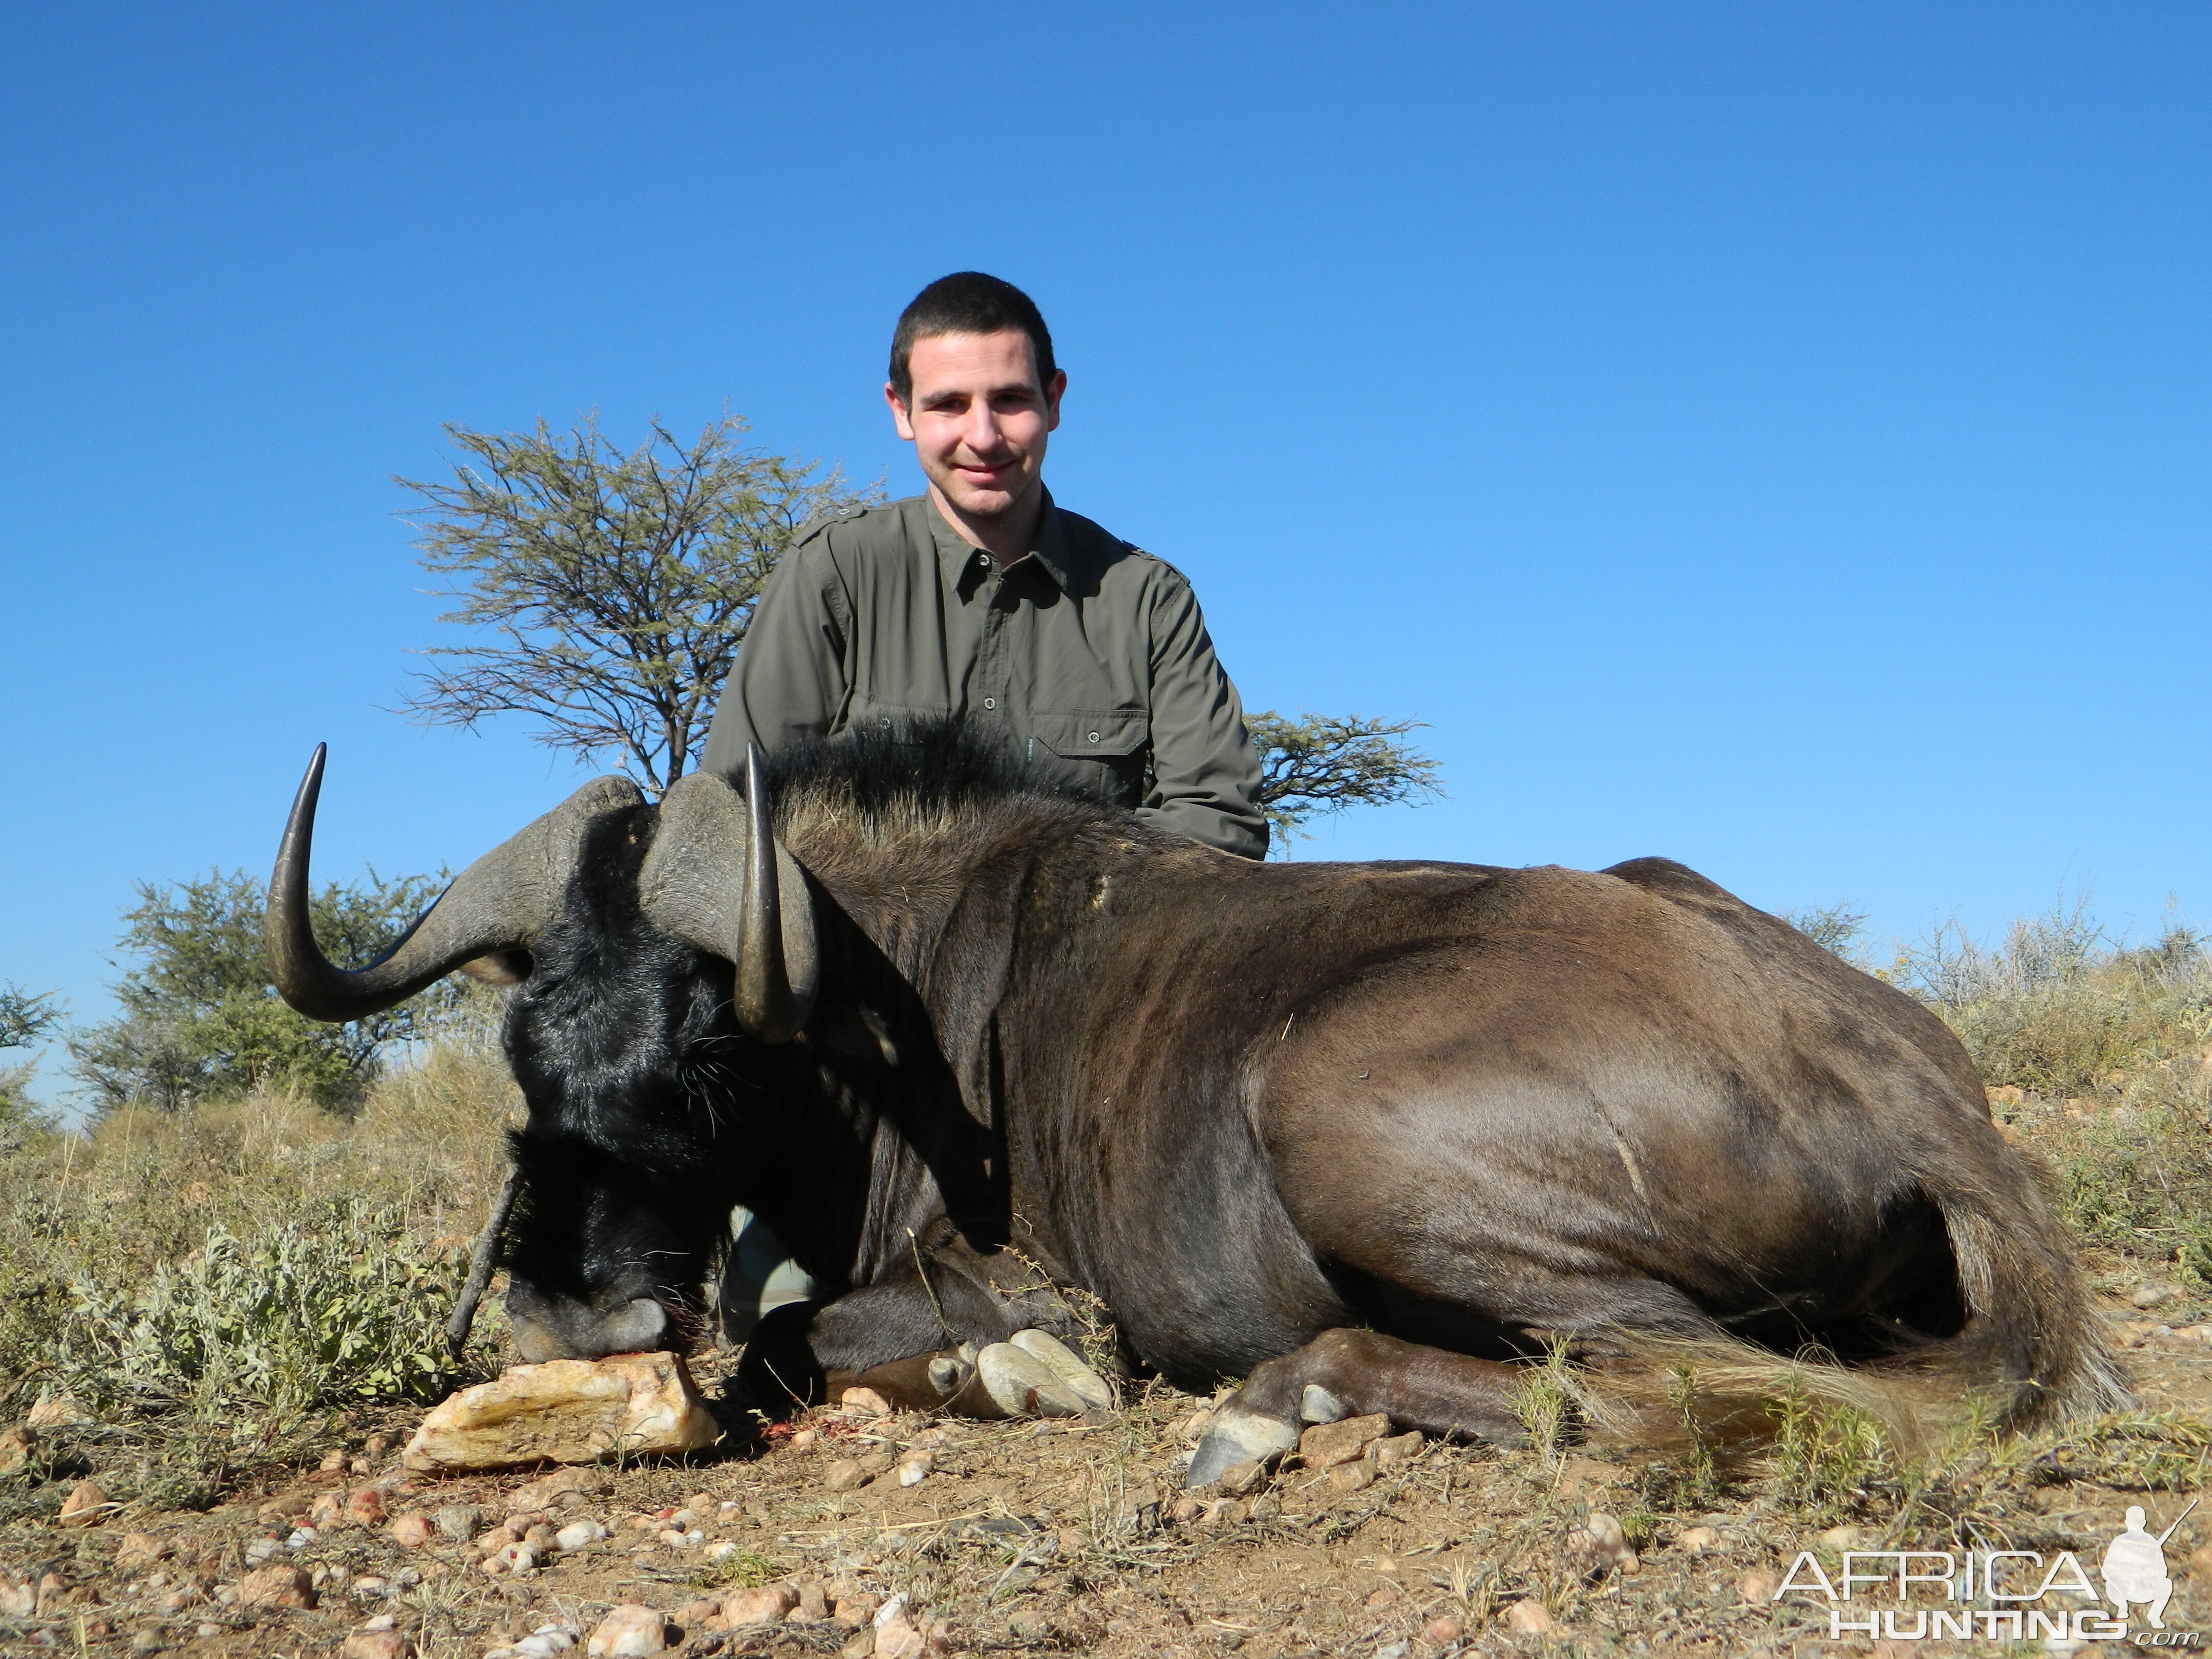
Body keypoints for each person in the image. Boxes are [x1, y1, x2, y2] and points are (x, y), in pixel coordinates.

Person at [703, 271, 1269, 1339]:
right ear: (900, 412)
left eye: (1010, 400)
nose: (984, 435)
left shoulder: (1146, 596)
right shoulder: (832, 576)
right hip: (870, 1047)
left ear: (1054, 398)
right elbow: (736, 836)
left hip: (1086, 1032)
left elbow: (1221, 828)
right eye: (951, 405)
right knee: (772, 1323)